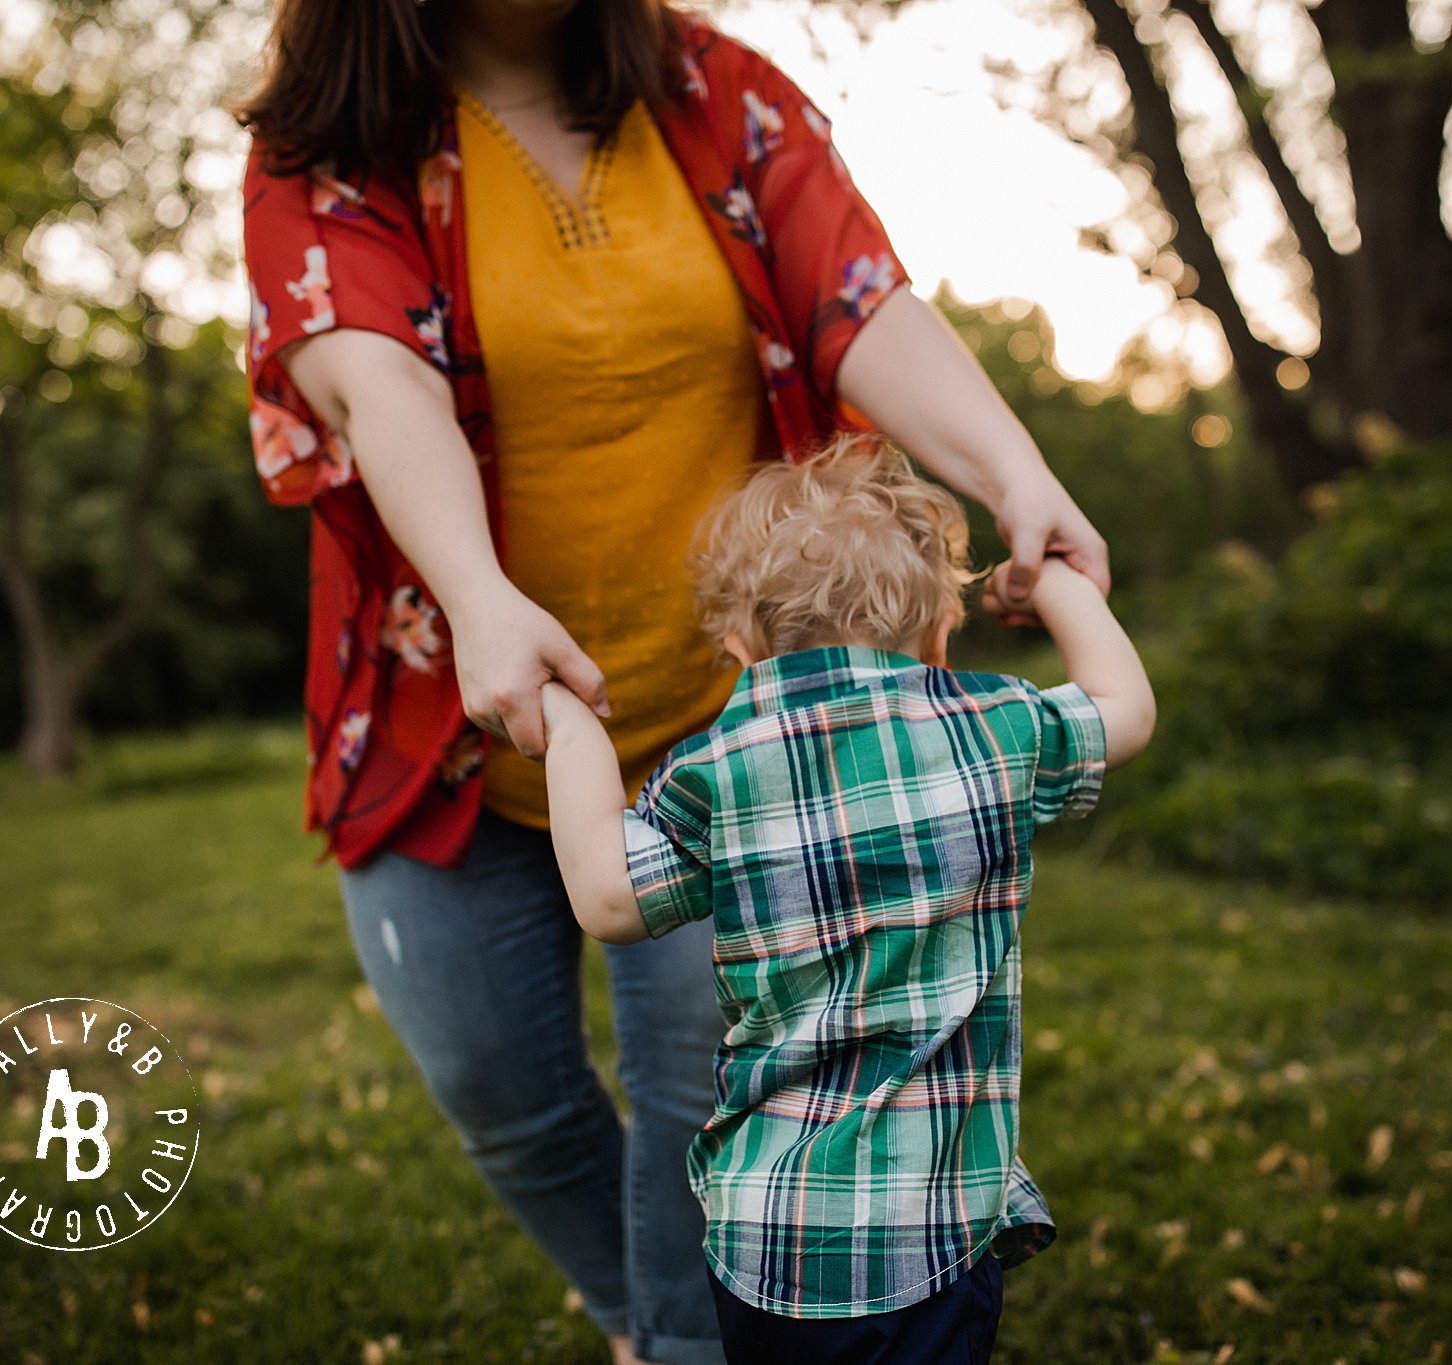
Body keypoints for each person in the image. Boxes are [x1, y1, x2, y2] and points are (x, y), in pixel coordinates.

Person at [237, 1, 1112, 1360]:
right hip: (444, 718)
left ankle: (686, 1338)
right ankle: (648, 1314)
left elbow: (857, 300)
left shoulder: (711, 87)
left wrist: (1013, 474)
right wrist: (480, 599)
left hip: (733, 724)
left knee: (704, 1084)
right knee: (497, 1088)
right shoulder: (333, 143)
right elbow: (375, 386)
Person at [536, 434, 1156, 1363]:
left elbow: (606, 897)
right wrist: (1056, 585)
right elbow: (1124, 710)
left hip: (767, 1234)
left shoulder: (714, 771)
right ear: (939, 631)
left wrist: (569, 723)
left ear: (740, 643)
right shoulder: (995, 729)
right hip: (934, 1227)